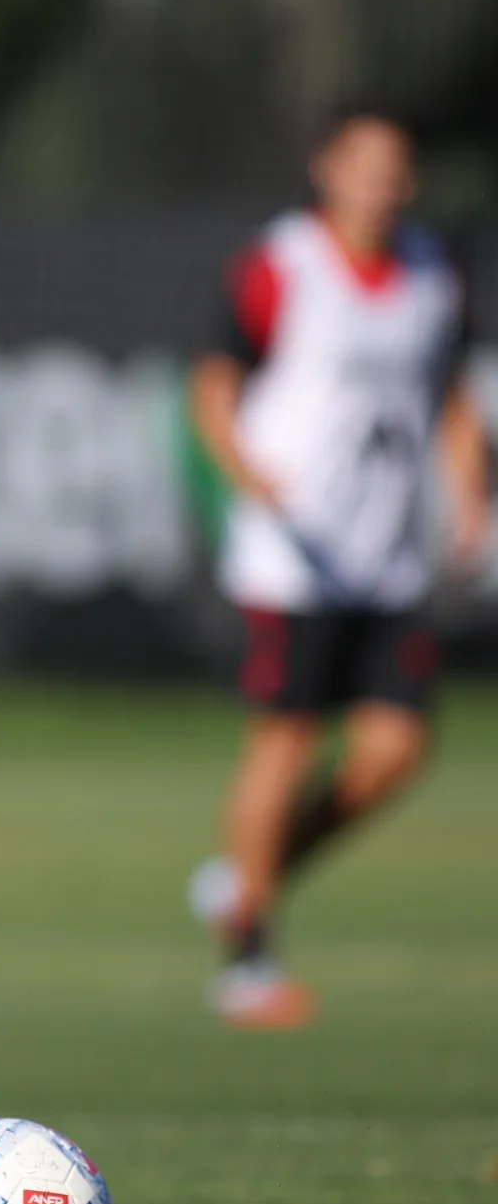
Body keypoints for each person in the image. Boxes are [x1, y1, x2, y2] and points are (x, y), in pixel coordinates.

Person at [188, 110, 489, 1030]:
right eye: (364, 165)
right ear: (327, 169)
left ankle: (247, 880)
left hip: (385, 557)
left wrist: (470, 495)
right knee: (286, 742)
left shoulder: (432, 272)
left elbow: (451, 397)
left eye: (396, 168)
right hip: (295, 556)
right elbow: (213, 386)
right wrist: (251, 475)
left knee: (398, 749)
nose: (380, 185)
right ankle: (248, 965)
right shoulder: (285, 263)